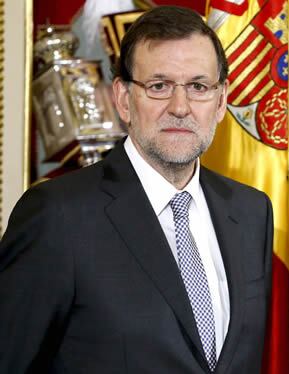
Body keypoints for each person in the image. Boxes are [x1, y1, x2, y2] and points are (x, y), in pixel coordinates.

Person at [0, 6, 273, 373]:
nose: (181, 107)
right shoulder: (59, 216)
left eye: (198, 86)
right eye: (159, 86)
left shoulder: (251, 212)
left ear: (221, 100)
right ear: (124, 99)